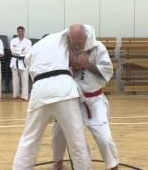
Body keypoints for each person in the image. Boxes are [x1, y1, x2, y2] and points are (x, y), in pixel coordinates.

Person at [12, 24, 92, 170]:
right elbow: (78, 28)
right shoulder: (60, 36)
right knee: (77, 140)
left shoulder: (33, 50)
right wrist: (81, 48)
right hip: (63, 91)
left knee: (29, 140)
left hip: (39, 93)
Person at [50, 24, 119, 170]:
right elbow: (57, 72)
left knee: (104, 138)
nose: (76, 45)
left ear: (86, 37)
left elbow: (107, 71)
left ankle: (113, 165)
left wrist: (87, 64)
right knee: (58, 133)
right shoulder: (65, 48)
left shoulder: (98, 47)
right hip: (72, 101)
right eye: (73, 42)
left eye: (79, 42)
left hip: (94, 101)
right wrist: (73, 67)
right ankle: (58, 163)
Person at [10, 26, 32, 101]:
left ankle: (24, 96)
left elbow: (28, 52)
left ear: (24, 32)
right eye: (19, 31)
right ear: (17, 32)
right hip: (14, 62)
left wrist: (18, 51)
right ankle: (15, 95)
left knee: (25, 79)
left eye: (22, 31)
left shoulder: (28, 42)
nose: (20, 33)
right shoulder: (13, 40)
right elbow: (12, 50)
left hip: (24, 61)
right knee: (15, 79)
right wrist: (21, 51)